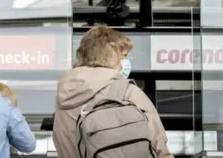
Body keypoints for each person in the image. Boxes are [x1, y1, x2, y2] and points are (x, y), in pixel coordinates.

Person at [53, 26, 173, 158]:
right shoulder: (127, 92)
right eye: (124, 56)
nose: (126, 62)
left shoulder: (65, 95)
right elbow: (158, 145)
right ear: (110, 55)